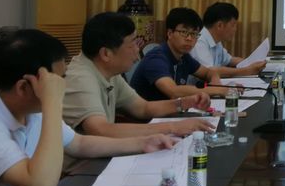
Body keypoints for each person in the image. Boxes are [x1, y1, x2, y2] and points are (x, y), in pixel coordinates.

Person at [0, 30, 175, 186]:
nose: (62, 86)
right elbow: (42, 185)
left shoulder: (33, 109)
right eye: (57, 82)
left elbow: (78, 143)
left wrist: (143, 143)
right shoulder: (21, 113)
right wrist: (52, 103)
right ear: (23, 87)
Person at [63, 12, 216, 138]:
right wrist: (173, 127)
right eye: (133, 44)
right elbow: (100, 130)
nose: (138, 50)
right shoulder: (80, 78)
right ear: (106, 54)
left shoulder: (109, 71)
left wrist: (184, 103)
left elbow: (142, 108)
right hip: (79, 164)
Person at [130, 7, 228, 101]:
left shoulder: (184, 56)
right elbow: (173, 91)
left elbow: (208, 72)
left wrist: (216, 82)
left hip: (172, 109)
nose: (189, 38)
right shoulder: (156, 58)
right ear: (170, 33)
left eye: (194, 34)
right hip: (148, 112)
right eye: (184, 32)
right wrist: (217, 90)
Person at [188, 2, 266, 85]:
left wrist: (253, 64)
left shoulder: (216, 40)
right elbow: (210, 71)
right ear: (220, 25)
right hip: (196, 89)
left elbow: (230, 60)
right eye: (233, 25)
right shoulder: (199, 40)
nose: (235, 29)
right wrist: (246, 71)